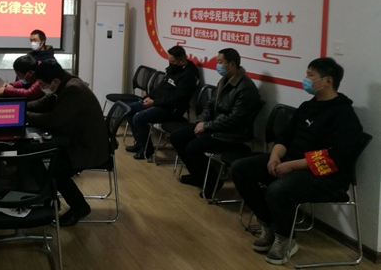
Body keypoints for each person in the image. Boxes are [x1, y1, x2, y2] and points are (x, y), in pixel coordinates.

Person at [231, 58, 363, 265]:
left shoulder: (344, 115)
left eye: (310, 75)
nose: (306, 79)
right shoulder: (307, 106)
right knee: (240, 169)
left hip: (326, 177)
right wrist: (275, 157)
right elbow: (285, 137)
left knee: (278, 189)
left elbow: (333, 158)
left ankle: (286, 239)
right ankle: (269, 224)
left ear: (327, 81)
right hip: (290, 162)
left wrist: (291, 165)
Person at [26, 59, 108, 226]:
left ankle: (80, 207)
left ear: (54, 81)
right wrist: (20, 107)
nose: (41, 87)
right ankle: (49, 198)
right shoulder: (63, 82)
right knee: (33, 158)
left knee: (55, 170)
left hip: (87, 147)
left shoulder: (73, 90)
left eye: (42, 84)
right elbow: (44, 102)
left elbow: (55, 119)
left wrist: (25, 116)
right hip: (74, 139)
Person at [170, 48, 261, 197]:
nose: (217, 65)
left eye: (220, 61)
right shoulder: (224, 80)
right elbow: (210, 105)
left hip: (231, 134)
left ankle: (212, 182)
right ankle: (199, 177)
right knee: (177, 137)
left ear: (231, 64)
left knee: (192, 147)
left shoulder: (246, 89)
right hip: (215, 126)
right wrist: (201, 121)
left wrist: (206, 126)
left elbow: (234, 120)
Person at [125, 46, 199, 160]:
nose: (170, 63)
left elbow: (177, 100)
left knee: (139, 117)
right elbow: (161, 87)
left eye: (172, 61)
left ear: (182, 60)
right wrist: (149, 97)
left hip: (171, 110)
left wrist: (154, 102)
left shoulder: (188, 76)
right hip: (158, 103)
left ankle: (146, 150)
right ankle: (140, 143)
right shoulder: (173, 70)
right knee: (129, 110)